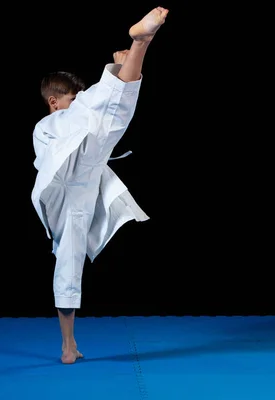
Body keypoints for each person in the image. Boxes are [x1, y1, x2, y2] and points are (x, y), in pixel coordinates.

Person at [31, 6, 169, 364]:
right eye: (69, 97)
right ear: (53, 101)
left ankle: (140, 44)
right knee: (105, 111)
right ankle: (138, 46)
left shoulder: (57, 123)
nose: (73, 102)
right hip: (71, 175)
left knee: (114, 113)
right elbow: (61, 154)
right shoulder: (53, 123)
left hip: (77, 186)